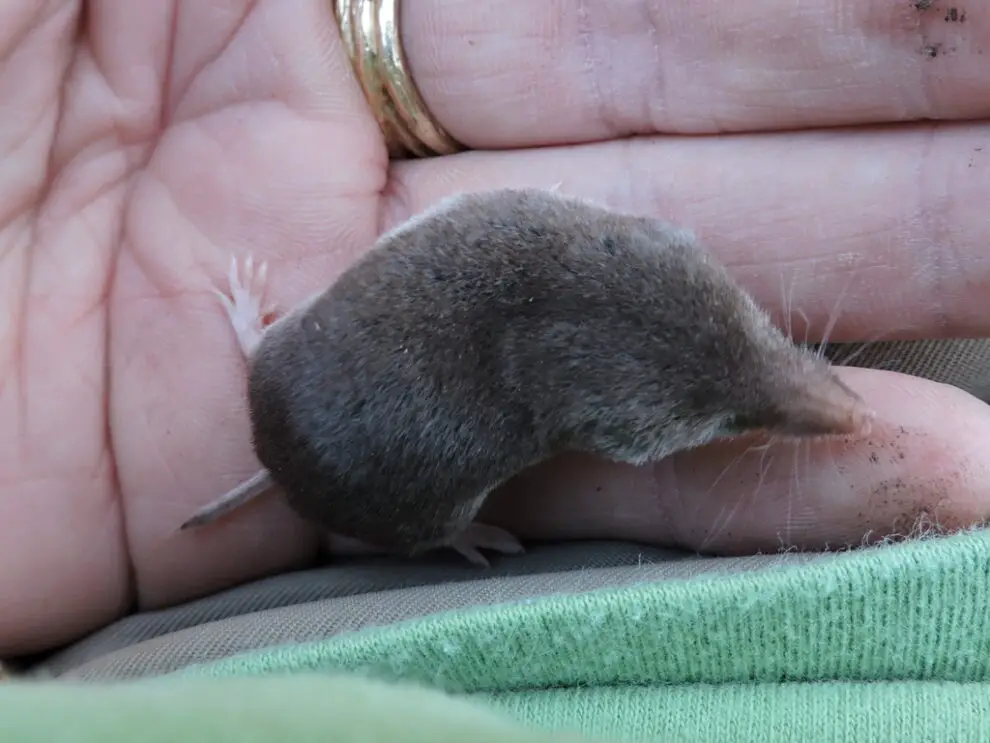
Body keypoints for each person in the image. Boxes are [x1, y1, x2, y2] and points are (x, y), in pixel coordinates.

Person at [1, 0, 988, 660]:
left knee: (324, 378)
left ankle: (261, 344)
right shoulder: (606, 392)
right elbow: (623, 418)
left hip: (301, 375)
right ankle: (437, 520)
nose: (795, 376)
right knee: (395, 457)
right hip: (377, 468)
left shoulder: (546, 242)